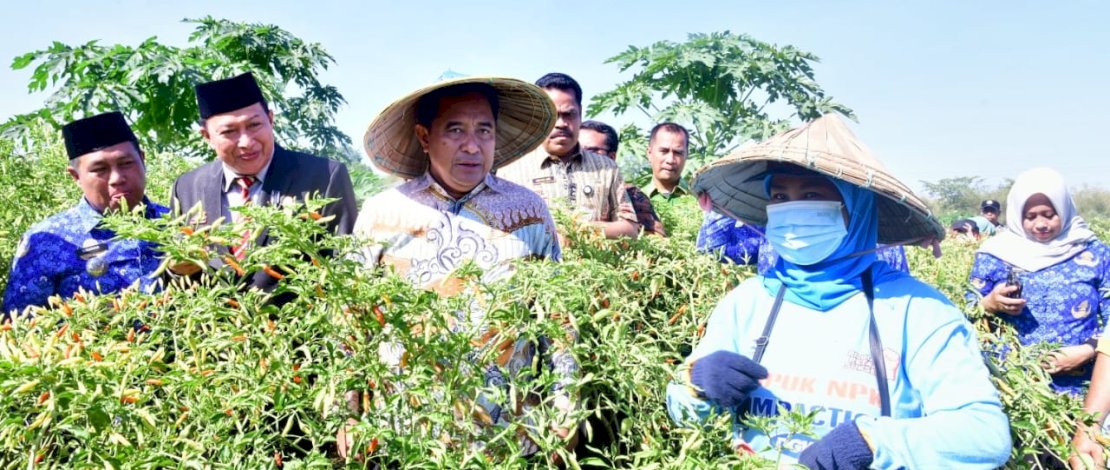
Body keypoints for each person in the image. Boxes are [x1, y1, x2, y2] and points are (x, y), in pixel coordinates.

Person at [667, 114, 1010, 468]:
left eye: (812, 194)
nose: (792, 211)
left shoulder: (917, 310)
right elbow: (683, 411)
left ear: (857, 208)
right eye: (780, 196)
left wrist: (872, 443)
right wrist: (696, 384)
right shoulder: (748, 302)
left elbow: (984, 435)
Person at [347, 76, 574, 457]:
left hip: (509, 430)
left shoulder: (530, 212)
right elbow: (352, 316)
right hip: (408, 429)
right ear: (424, 136)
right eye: (455, 130)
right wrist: (346, 412)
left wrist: (565, 405)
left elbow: (558, 317)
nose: (472, 145)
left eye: (484, 130)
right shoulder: (382, 214)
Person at [169, 72, 358, 288]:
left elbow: (346, 261)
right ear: (207, 136)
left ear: (270, 119)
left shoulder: (323, 175)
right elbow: (179, 280)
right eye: (229, 131)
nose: (246, 142)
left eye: (254, 125)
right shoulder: (187, 187)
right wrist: (177, 270)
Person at [3, 111, 169, 318]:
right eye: (100, 169)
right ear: (76, 176)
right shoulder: (47, 241)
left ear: (143, 160)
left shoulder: (177, 223)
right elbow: (18, 324)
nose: (117, 178)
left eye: (126, 163)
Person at [968, 168, 1109, 398]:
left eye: (1049, 214)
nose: (1041, 224)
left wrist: (1088, 350)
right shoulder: (995, 254)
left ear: (1064, 209)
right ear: (1017, 215)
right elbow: (964, 313)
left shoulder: (1094, 253)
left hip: (1083, 386)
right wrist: (989, 303)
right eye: (1030, 216)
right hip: (1014, 387)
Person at [497, 73, 640, 239]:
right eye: (553, 115)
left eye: (569, 114)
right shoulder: (511, 169)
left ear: (580, 113)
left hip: (594, 256)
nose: (561, 124)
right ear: (537, 115)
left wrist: (581, 231)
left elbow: (630, 229)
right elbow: (499, 231)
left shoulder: (607, 168)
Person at [697, 212, 911, 274]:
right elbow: (713, 248)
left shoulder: (878, 244)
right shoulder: (774, 233)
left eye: (811, 193)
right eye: (780, 195)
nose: (796, 203)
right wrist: (725, 203)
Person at [579, 120, 665, 236]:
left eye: (591, 151)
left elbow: (657, 239)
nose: (582, 155)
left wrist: (593, 229)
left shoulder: (632, 195)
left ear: (611, 157)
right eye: (577, 150)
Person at [641, 122, 691, 207]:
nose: (670, 160)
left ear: (686, 155)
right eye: (664, 151)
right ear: (649, 153)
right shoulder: (634, 201)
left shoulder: (702, 200)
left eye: (678, 153)